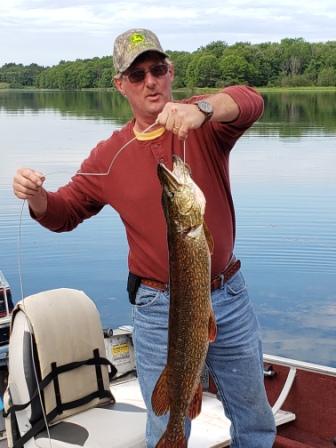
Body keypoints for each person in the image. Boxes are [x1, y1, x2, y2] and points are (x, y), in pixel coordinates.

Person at [13, 28, 276, 447]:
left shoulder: (204, 123)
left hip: (227, 294)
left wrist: (204, 109)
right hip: (157, 308)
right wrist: (38, 197)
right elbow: (65, 212)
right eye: (137, 75)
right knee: (167, 423)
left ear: (170, 72)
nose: (150, 81)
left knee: (255, 417)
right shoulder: (110, 154)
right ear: (121, 85)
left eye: (157, 69)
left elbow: (250, 100)